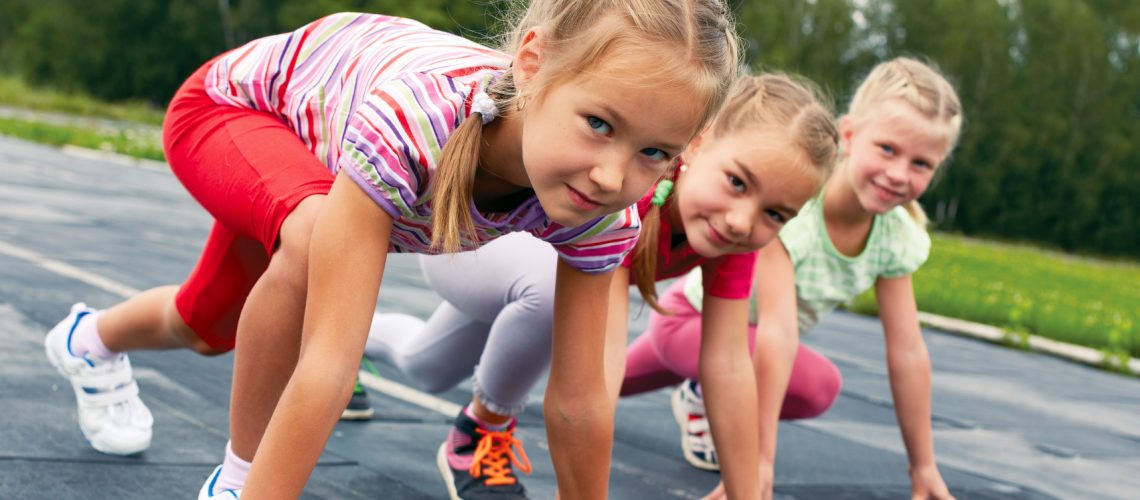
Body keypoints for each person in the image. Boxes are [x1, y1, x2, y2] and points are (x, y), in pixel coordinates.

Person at [41, 4, 740, 499]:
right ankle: (235, 480)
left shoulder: (606, 208)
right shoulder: (419, 121)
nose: (613, 175)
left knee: (204, 325)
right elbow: (328, 362)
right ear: (531, 63)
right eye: (598, 123)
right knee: (312, 241)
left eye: (655, 152)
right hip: (234, 113)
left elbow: (583, 403)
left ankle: (88, 340)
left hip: (312, 169)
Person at [367, 73, 838, 499]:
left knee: (426, 365)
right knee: (553, 297)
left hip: (523, 283)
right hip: (468, 244)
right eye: (737, 182)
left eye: (775, 214)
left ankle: (360, 341)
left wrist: (747, 490)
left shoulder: (734, 241)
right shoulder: (630, 195)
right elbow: (598, 373)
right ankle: (480, 433)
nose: (742, 221)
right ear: (698, 144)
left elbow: (728, 365)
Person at [622, 56, 964, 500]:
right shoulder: (791, 206)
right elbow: (777, 333)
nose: (899, 174)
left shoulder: (896, 236)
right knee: (600, 377)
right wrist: (757, 459)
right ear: (849, 135)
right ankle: (700, 392)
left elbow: (908, 351)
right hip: (693, 321)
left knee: (613, 378)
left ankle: (695, 389)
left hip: (729, 341)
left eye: (922, 164)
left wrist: (924, 468)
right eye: (887, 149)